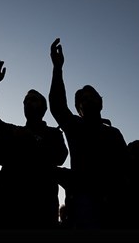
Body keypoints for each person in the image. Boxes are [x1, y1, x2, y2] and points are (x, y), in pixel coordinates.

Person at [0, 60, 68, 229]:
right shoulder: (12, 131)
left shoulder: (53, 134)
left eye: (33, 99)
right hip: (9, 208)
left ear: (43, 107)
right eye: (25, 100)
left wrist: (35, 140)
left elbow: (60, 157)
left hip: (42, 209)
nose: (27, 102)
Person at [49, 38, 129, 229]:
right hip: (85, 203)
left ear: (100, 102)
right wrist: (57, 68)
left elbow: (126, 166)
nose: (87, 99)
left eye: (91, 96)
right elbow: (58, 105)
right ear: (78, 108)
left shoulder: (114, 133)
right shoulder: (75, 126)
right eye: (82, 99)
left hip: (115, 202)